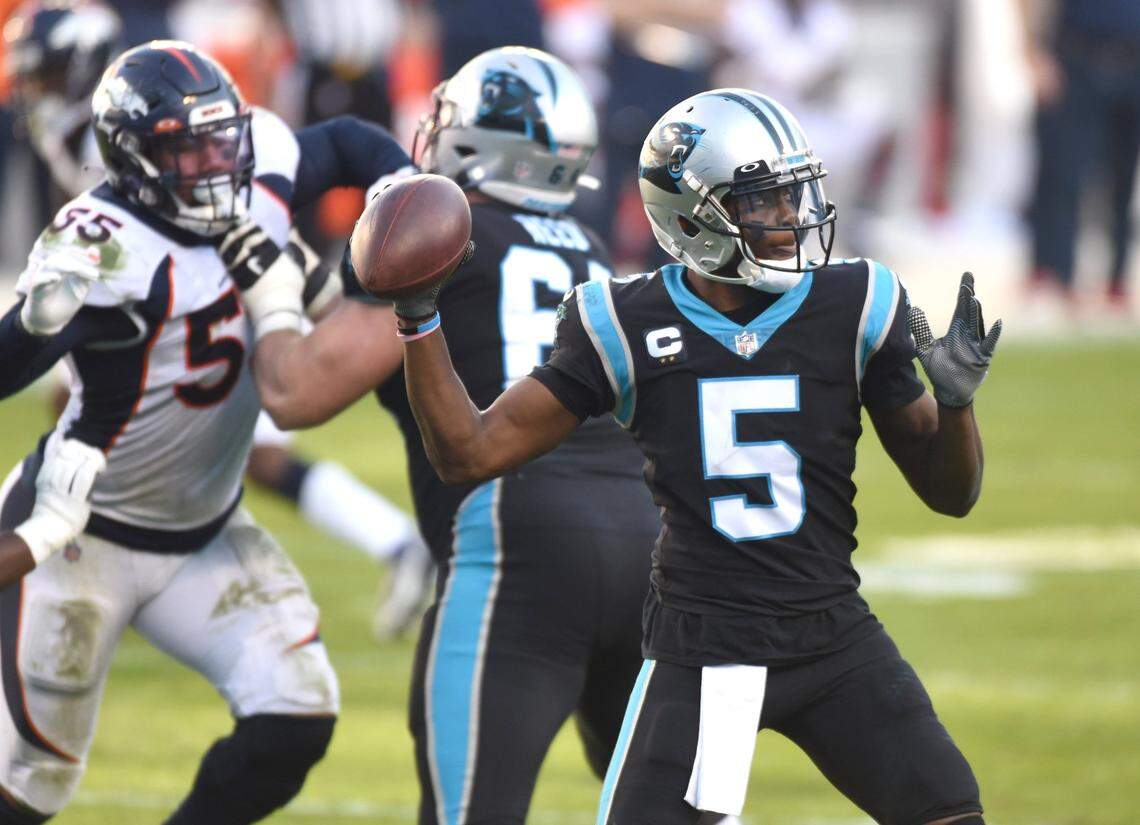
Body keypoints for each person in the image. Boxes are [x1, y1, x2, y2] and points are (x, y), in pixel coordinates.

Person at [390, 89, 1002, 824]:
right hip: (705, 650)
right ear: (692, 215)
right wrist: (419, 319)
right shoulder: (622, 320)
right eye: (765, 202)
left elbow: (951, 493)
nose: (792, 219)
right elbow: (470, 453)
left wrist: (959, 405)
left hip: (833, 635)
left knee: (949, 809)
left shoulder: (857, 301)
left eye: (794, 195)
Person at [211, 46, 693, 825]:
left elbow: (297, 390)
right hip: (647, 547)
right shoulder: (593, 253)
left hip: (515, 546)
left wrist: (267, 294)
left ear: (474, 142)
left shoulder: (435, 231)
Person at [0, 41, 412, 823]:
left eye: (220, 140)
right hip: (83, 535)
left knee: (296, 715)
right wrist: (36, 317)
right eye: (184, 151)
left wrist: (401, 182)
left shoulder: (264, 166)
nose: (212, 164)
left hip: (204, 531)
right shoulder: (101, 245)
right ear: (131, 159)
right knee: (28, 786)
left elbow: (353, 142)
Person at [3, 1, 433, 639]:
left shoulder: (119, 130)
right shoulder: (104, 120)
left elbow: (183, 223)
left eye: (44, 78)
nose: (35, 96)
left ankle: (395, 541)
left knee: (265, 432)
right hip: (209, 287)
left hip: (217, 297)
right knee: (91, 412)